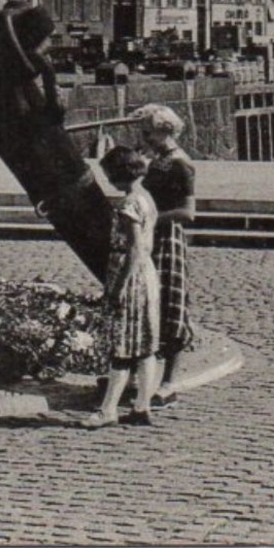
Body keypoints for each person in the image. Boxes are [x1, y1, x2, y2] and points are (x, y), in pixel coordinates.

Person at [84, 145, 162, 429]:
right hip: (147, 275)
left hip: (130, 276)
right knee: (144, 345)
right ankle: (142, 405)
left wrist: (117, 288)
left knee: (121, 345)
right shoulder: (146, 198)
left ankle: (108, 410)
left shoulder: (129, 204)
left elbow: (133, 248)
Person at [134, 103, 195, 408]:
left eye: (148, 132)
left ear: (164, 130)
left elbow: (188, 212)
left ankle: (170, 381)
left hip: (167, 236)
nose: (144, 138)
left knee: (172, 303)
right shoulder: (157, 160)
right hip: (149, 235)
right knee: (147, 301)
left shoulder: (180, 164)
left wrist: (153, 217)